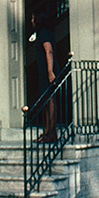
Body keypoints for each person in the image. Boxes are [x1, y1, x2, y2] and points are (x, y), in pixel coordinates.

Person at [27, 8, 58, 142]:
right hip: (44, 70)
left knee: (50, 100)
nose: (32, 21)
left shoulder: (44, 33)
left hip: (47, 71)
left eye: (33, 18)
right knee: (47, 100)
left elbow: (49, 51)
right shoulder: (46, 32)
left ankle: (50, 133)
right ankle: (48, 131)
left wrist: (50, 72)